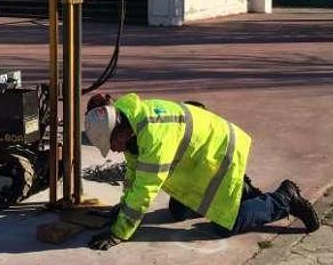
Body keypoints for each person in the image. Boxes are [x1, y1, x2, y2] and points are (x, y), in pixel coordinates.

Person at [83, 92, 320, 250]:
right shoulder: (131, 122)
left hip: (218, 155)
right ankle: (242, 190)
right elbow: (133, 177)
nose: (112, 151)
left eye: (111, 144)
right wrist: (123, 207)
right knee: (178, 211)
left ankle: (284, 199)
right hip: (198, 157)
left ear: (119, 131)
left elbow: (144, 191)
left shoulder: (153, 139)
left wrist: (119, 232)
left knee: (225, 225)